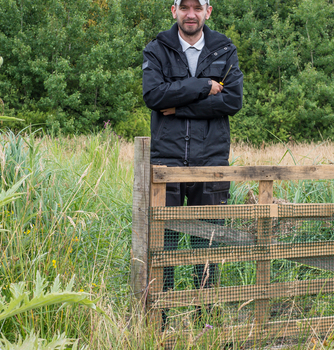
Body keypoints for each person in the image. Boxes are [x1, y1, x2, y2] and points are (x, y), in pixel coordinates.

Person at [142, 0, 244, 327]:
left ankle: (205, 322)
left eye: (197, 7)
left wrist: (180, 106)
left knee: (207, 248)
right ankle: (162, 321)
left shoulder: (224, 49)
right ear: (173, 10)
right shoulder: (157, 49)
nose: (190, 13)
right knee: (164, 249)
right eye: (184, 7)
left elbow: (232, 100)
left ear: (208, 11)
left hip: (211, 162)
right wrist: (202, 87)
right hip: (166, 164)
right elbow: (154, 96)